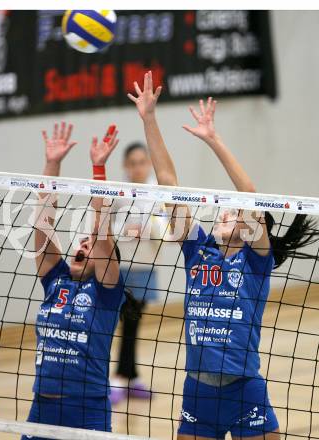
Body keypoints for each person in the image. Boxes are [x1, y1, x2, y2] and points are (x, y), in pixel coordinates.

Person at [128, 71, 319, 439]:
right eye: (223, 210)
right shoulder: (196, 249)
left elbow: (247, 193)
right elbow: (168, 181)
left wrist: (213, 139)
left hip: (244, 390)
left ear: (250, 227)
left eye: (233, 212)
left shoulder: (255, 260)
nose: (225, 212)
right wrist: (149, 119)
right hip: (198, 392)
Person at [24, 122, 136, 438]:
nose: (83, 244)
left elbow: (102, 236)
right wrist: (52, 164)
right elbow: (42, 225)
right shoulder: (55, 280)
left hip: (86, 410)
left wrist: (98, 168)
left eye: (90, 245)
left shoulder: (106, 293)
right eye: (81, 242)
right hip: (42, 409)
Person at [110, 142, 159, 404]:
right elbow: (108, 229)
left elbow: (166, 228)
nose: (138, 167)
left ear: (149, 164)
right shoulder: (119, 193)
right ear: (125, 166)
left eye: (142, 161)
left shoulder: (157, 191)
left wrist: (152, 231)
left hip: (146, 268)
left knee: (133, 323)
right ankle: (119, 379)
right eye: (133, 163)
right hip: (121, 269)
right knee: (124, 322)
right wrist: (128, 232)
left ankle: (129, 377)